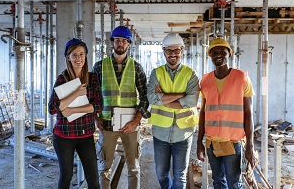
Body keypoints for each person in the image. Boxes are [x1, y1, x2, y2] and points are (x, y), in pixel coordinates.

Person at [92, 25, 150, 189]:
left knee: (133, 168)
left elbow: (145, 97)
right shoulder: (99, 66)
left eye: (124, 41)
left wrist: (136, 121)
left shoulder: (136, 67)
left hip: (130, 124)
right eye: (117, 40)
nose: (120, 44)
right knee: (104, 168)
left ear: (129, 44)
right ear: (112, 43)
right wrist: (96, 118)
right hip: (107, 124)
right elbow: (92, 96)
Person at [196, 37, 258, 188]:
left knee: (234, 183)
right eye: (214, 52)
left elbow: (249, 113)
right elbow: (203, 112)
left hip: (233, 142)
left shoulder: (241, 78)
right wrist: (199, 142)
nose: (218, 54)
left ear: (229, 54)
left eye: (222, 52)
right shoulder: (205, 80)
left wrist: (250, 145)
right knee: (218, 181)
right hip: (212, 142)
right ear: (210, 56)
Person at [147, 33, 200, 189]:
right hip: (161, 132)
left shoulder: (191, 74)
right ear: (163, 52)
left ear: (182, 50)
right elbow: (151, 98)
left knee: (180, 175)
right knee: (161, 172)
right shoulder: (156, 73)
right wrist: (181, 96)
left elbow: (192, 101)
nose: (172, 54)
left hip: (183, 133)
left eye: (176, 50)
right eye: (168, 51)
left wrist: (162, 97)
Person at [48, 38, 102, 189]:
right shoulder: (62, 79)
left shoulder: (92, 78)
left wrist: (71, 109)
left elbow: (98, 106)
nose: (78, 58)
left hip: (86, 136)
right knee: (66, 177)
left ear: (86, 56)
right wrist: (77, 93)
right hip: (64, 136)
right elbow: (52, 108)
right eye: (74, 55)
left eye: (81, 54)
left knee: (93, 179)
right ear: (68, 57)